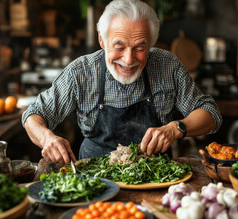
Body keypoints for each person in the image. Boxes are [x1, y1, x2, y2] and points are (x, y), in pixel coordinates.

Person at [22, 0, 222, 164]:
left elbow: (211, 113)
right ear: (102, 40)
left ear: (151, 43)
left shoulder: (167, 66)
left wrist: (177, 128)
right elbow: (34, 114)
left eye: (140, 48)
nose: (128, 59)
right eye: (119, 46)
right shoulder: (81, 72)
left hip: (157, 179)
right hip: (96, 183)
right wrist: (48, 138)